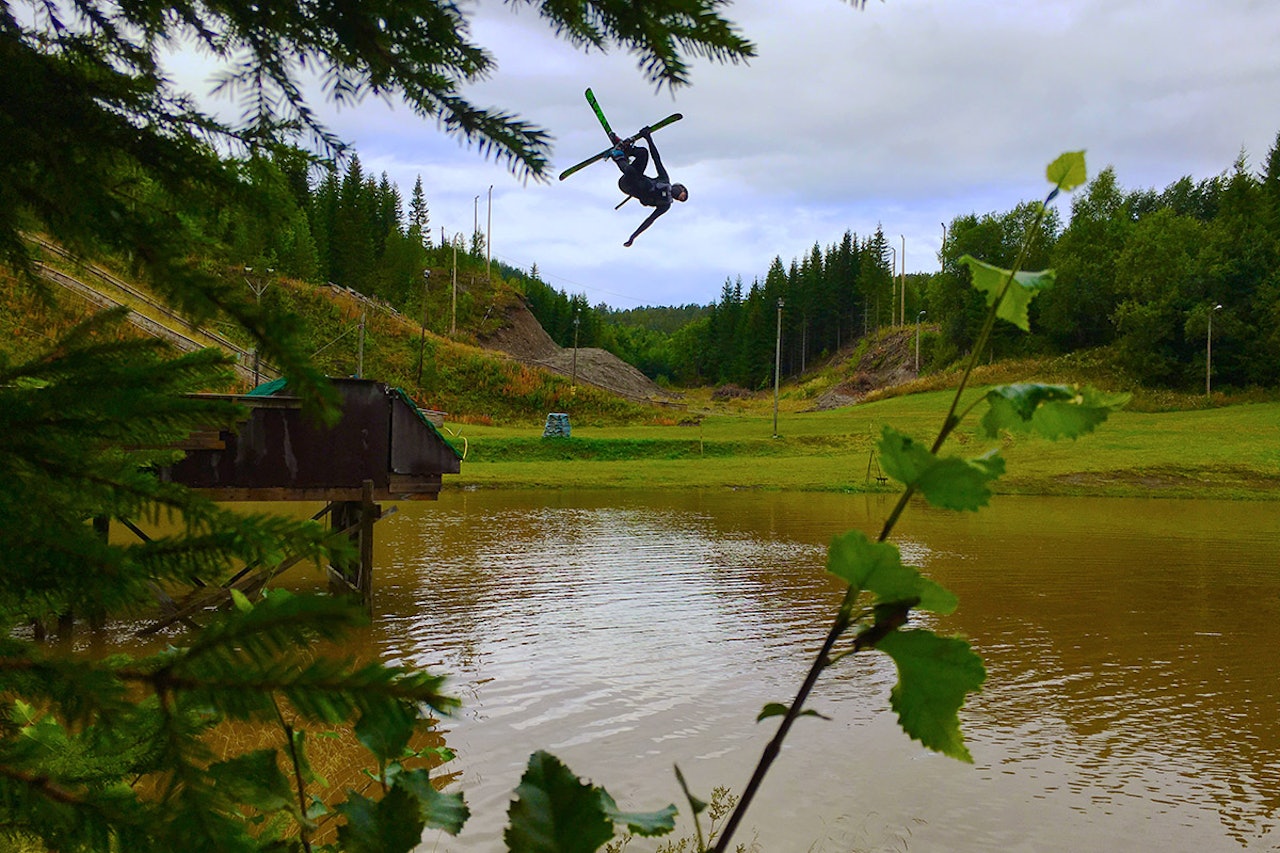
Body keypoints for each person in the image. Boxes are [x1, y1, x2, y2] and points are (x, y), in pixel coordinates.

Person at [609, 127, 688, 247]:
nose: (681, 196)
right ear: (679, 186)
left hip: (626, 185)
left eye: (681, 198)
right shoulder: (664, 179)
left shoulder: (665, 205)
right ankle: (625, 149)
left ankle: (617, 156)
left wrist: (633, 236)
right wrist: (648, 138)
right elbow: (656, 158)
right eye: (683, 193)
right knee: (643, 153)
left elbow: (649, 220)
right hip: (635, 176)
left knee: (631, 171)